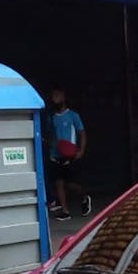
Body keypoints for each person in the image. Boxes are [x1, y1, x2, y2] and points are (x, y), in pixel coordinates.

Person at [46, 88, 91, 222]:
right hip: (55, 154)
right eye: (53, 96)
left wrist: (81, 150)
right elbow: (50, 135)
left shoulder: (73, 116)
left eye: (58, 95)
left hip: (70, 154)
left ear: (64, 97)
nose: (55, 98)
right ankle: (65, 212)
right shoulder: (51, 118)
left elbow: (82, 133)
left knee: (70, 184)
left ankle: (84, 196)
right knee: (59, 183)